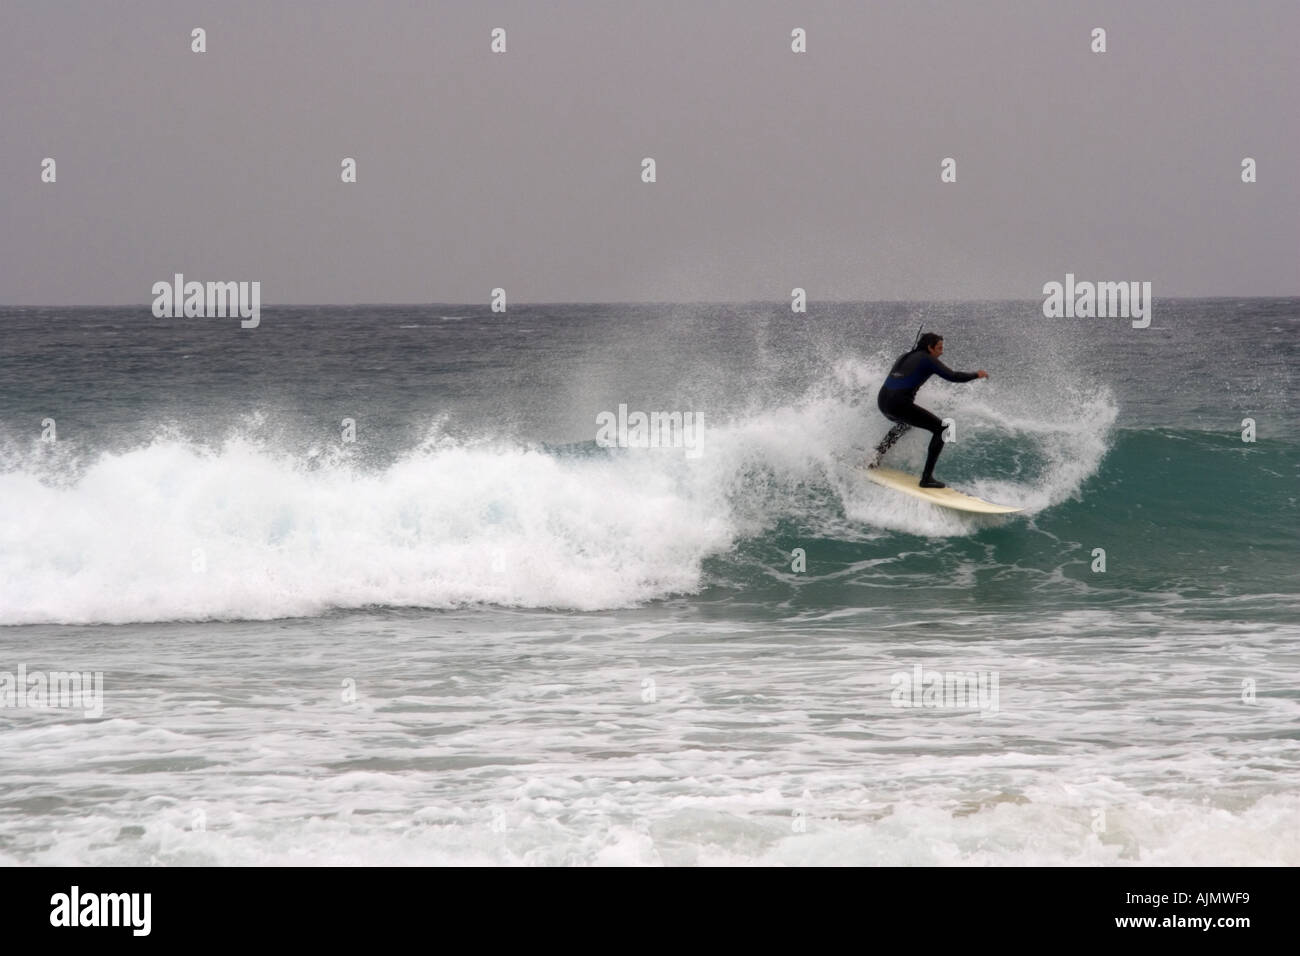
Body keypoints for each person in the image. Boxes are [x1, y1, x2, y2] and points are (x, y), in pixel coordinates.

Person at [869, 332, 987, 488]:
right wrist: (976, 375)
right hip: (898, 404)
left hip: (883, 401)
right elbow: (953, 376)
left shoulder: (905, 356)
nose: (941, 352)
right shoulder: (928, 359)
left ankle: (875, 458)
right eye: (939, 348)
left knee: (904, 424)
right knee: (943, 428)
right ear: (930, 348)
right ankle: (927, 478)